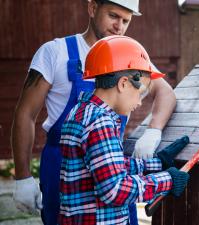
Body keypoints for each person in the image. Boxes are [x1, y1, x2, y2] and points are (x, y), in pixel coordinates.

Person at [10, 0, 176, 224]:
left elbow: (165, 92)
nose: (119, 26)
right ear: (92, 8)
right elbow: (25, 114)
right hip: (62, 164)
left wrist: (153, 131)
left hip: (110, 159)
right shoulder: (55, 52)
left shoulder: (128, 54)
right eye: (113, 16)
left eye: (126, 20)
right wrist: (22, 175)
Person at [59, 35, 189, 225]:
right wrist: (167, 179)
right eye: (141, 92)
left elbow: (106, 167)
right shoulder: (101, 122)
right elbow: (115, 190)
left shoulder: (80, 112)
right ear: (123, 83)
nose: (139, 102)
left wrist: (157, 163)